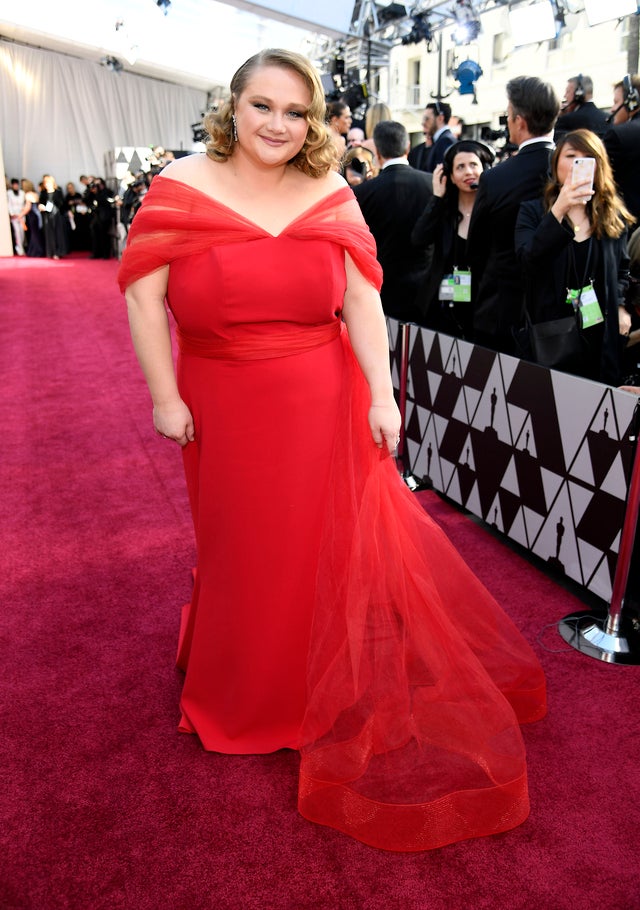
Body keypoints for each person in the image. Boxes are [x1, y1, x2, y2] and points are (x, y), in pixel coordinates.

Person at [118, 48, 546, 853]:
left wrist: (383, 396)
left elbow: (361, 299)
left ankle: (317, 693)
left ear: (313, 121)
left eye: (296, 112)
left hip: (322, 399)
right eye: (263, 107)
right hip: (223, 399)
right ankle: (244, 696)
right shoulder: (180, 185)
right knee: (244, 548)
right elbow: (143, 295)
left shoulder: (330, 189)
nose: (278, 125)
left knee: (319, 550)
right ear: (232, 105)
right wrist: (164, 396)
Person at [515, 129, 634, 385]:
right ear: (555, 162)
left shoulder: (611, 214)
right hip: (551, 334)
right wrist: (560, 208)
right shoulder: (533, 212)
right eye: (570, 156)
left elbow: (622, 268)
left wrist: (621, 305)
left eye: (587, 157)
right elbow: (527, 260)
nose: (577, 163)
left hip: (599, 332)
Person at [468, 75, 559, 353]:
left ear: (519, 121)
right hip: (560, 310)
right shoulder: (570, 171)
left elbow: (476, 247)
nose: (506, 121)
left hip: (502, 310)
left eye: (508, 114)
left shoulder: (496, 178)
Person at [411, 139, 495, 338]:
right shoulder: (443, 209)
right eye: (460, 167)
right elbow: (419, 238)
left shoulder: (492, 210)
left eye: (474, 165)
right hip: (444, 305)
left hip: (483, 305)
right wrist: (437, 197)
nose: (468, 172)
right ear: (450, 175)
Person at [353, 120, 433, 323]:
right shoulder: (432, 184)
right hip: (424, 288)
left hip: (381, 289)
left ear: (378, 153)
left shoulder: (363, 192)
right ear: (407, 147)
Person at [602, 75, 640, 229]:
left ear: (632, 102)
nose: (612, 109)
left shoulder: (619, 135)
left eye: (616, 102)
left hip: (627, 228)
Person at [554, 75, 607, 140]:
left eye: (568, 91)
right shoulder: (606, 118)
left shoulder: (566, 120)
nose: (565, 96)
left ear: (578, 94)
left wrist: (559, 116)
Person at [410, 101, 456, 173]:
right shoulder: (441, 141)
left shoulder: (446, 142)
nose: (423, 123)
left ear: (440, 118)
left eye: (427, 119)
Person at [38, 174, 66, 259]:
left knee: (58, 233)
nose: (46, 185)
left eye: (48, 183)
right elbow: (40, 203)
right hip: (47, 215)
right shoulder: (43, 193)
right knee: (49, 234)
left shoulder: (58, 192)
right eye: (45, 183)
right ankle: (51, 252)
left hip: (57, 215)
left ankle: (59, 252)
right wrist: (41, 206)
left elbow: (62, 204)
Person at [6, 178, 28, 256]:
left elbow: (25, 204)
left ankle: (21, 246)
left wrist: (22, 213)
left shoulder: (22, 193)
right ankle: (19, 248)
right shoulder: (9, 193)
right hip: (14, 216)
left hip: (21, 215)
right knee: (17, 232)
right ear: (12, 185)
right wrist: (12, 213)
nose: (16, 186)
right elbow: (9, 204)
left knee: (22, 232)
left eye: (17, 184)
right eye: (14, 184)